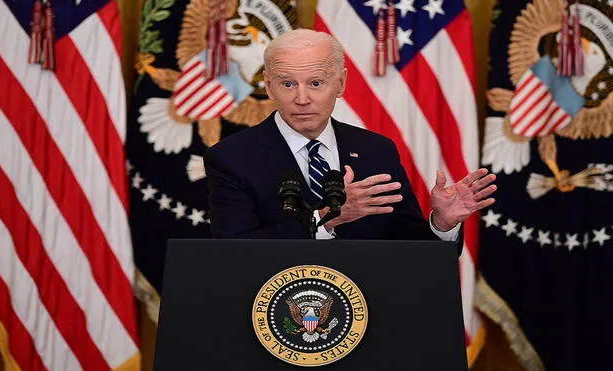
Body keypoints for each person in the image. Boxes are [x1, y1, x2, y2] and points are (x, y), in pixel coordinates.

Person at [203, 29, 496, 246]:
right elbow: (234, 251)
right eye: (287, 84)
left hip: (369, 312)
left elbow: (410, 250)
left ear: (340, 83)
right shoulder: (232, 157)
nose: (301, 98)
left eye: (316, 83)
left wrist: (441, 224)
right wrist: (327, 219)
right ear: (268, 87)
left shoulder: (376, 150)